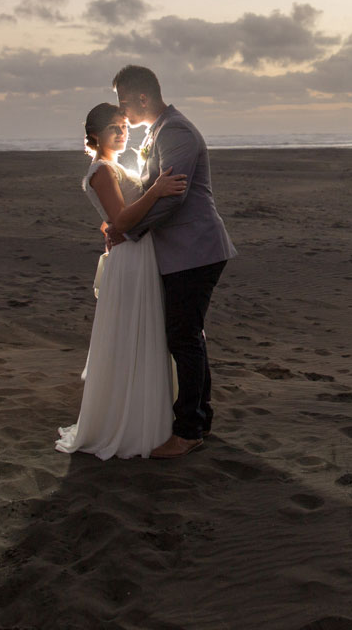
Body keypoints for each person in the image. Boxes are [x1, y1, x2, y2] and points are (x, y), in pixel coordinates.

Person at [110, 65, 236, 460]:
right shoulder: (157, 133)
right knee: (187, 334)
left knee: (183, 336)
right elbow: (152, 189)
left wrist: (129, 230)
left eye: (124, 101)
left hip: (195, 250)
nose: (122, 110)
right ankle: (200, 418)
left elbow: (173, 197)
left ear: (143, 97)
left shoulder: (177, 131)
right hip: (182, 252)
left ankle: (189, 430)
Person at [56, 103, 188, 460]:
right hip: (131, 258)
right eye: (113, 127)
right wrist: (157, 191)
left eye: (124, 126)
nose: (122, 132)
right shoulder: (101, 169)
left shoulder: (114, 166)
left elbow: (114, 221)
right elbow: (123, 220)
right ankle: (129, 423)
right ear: (95, 134)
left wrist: (111, 225)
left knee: (145, 334)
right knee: (133, 334)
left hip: (139, 253)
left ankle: (149, 416)